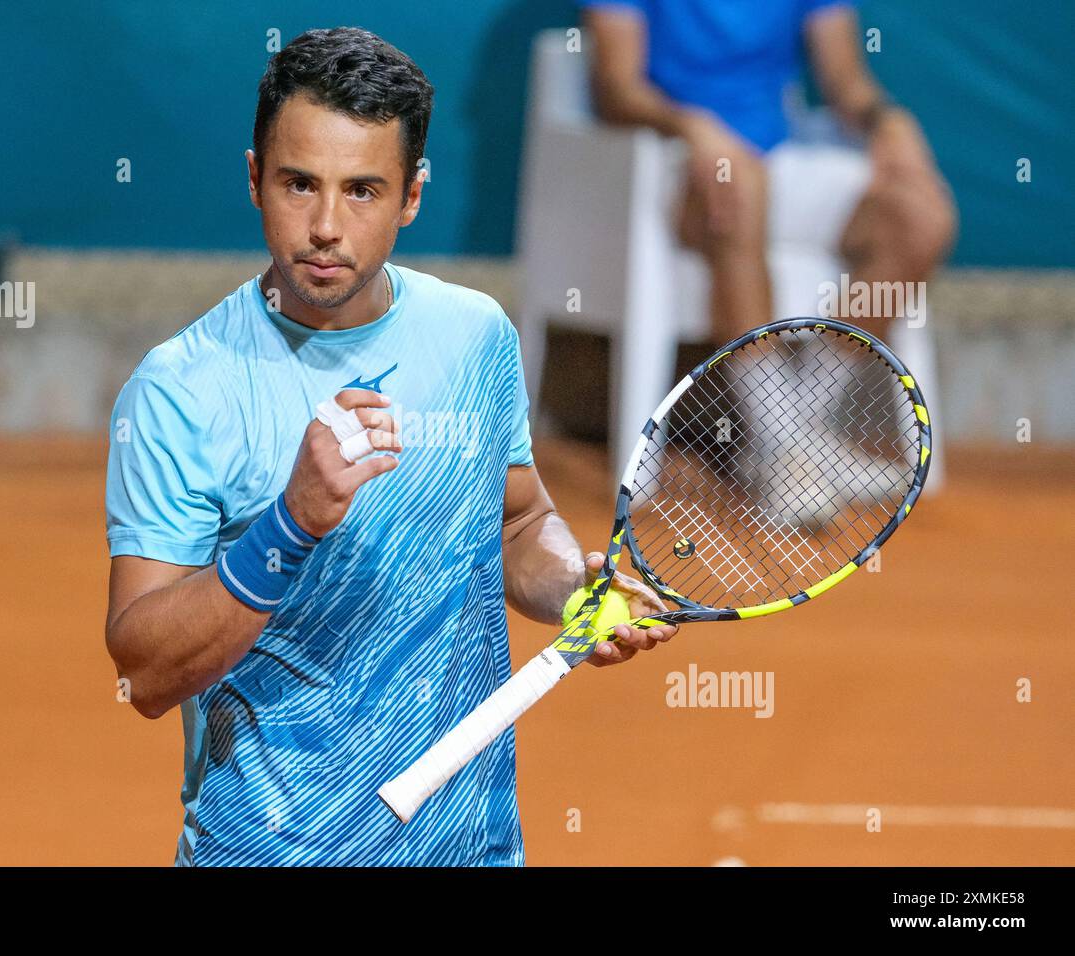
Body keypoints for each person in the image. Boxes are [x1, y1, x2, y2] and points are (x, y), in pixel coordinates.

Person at [103, 27, 678, 867]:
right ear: (255, 178)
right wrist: (292, 524)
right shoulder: (181, 390)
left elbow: (517, 522)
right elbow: (145, 676)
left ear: (411, 196)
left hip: (471, 845)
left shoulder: (476, 336)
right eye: (299, 184)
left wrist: (571, 588)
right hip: (269, 849)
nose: (326, 226)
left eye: (363, 191)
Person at [579, 0, 958, 343]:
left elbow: (847, 82)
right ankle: (771, 415)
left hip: (779, 160)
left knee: (922, 217)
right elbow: (616, 89)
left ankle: (809, 402)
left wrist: (886, 121)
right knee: (739, 185)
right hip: (666, 164)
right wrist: (693, 128)